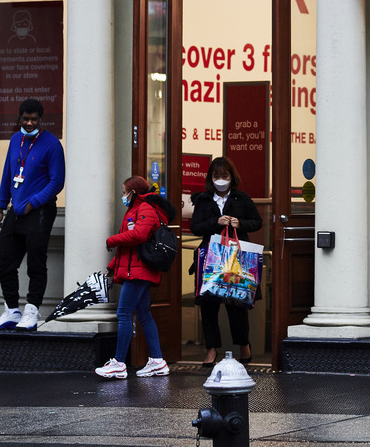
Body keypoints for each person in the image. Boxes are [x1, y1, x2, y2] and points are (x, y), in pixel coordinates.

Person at [0, 99, 65, 331]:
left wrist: (34, 203)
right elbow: (8, 174)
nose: (29, 123)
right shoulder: (15, 140)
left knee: (35, 262)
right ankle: (11, 310)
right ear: (19, 119)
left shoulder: (52, 144)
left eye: (34, 119)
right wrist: (0, 207)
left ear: (40, 120)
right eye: (25, 119)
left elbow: (57, 181)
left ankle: (32, 310)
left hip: (39, 211)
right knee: (4, 259)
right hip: (15, 210)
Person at [95, 176, 177, 379]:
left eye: (124, 192)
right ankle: (157, 361)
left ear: (134, 193)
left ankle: (119, 363)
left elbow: (139, 236)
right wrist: (112, 266)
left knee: (123, 313)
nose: (123, 196)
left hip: (139, 271)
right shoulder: (136, 209)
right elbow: (130, 249)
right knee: (143, 314)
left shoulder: (145, 209)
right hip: (138, 269)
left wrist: (111, 240)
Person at [189, 157, 263, 366]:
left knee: (237, 303)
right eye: (216, 176)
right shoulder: (203, 199)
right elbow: (195, 227)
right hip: (211, 258)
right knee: (208, 305)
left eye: (224, 176)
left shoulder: (242, 198)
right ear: (210, 178)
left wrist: (240, 224)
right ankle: (212, 350)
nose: (220, 180)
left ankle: (244, 346)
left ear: (232, 177)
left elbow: (257, 222)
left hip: (236, 258)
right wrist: (215, 221)